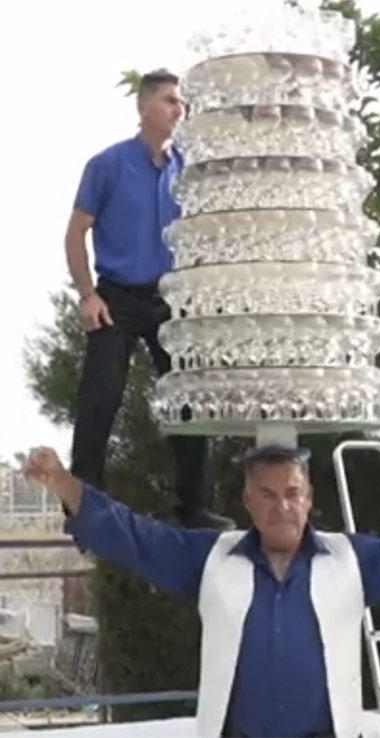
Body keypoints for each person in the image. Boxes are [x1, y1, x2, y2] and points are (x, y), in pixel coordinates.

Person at [22, 444, 380, 738]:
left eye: (292, 492)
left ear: (310, 497)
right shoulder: (209, 558)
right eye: (267, 495)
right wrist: (62, 481)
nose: (282, 505)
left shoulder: (350, 559)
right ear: (248, 502)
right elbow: (133, 536)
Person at [65, 69, 228, 529]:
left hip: (171, 298)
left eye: (181, 103)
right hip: (115, 297)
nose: (179, 110)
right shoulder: (107, 164)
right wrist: (87, 295)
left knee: (190, 401)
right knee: (100, 397)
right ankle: (82, 506)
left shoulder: (187, 171)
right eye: (170, 101)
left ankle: (194, 508)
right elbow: (76, 232)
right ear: (144, 109)